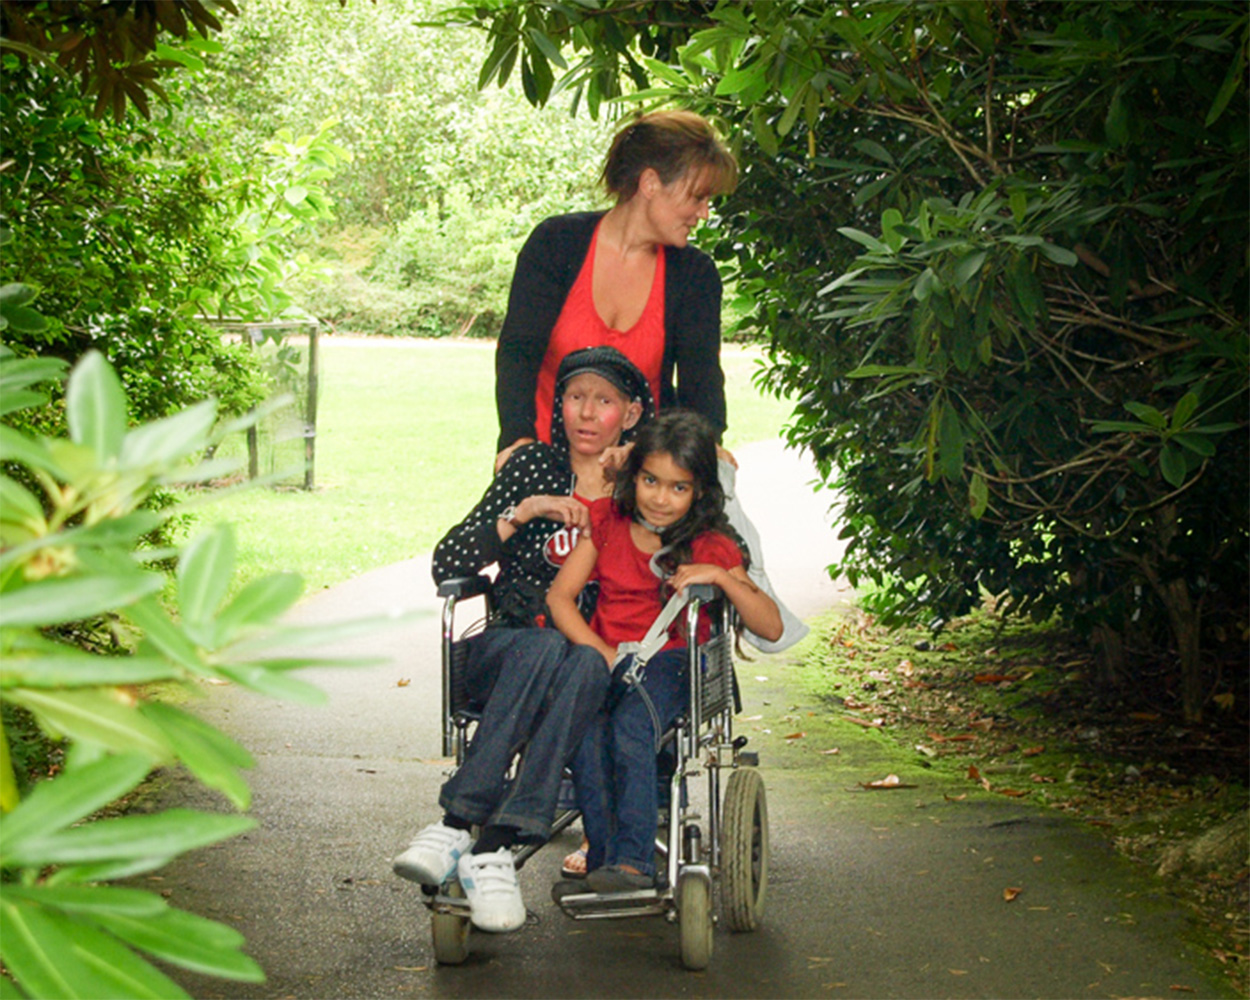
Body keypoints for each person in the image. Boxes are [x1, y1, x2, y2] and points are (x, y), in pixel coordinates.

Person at [391, 347, 655, 932]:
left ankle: (481, 839)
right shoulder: (532, 465)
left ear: (630, 414)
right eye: (575, 397)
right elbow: (449, 562)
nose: (586, 413)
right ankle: (473, 827)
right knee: (547, 648)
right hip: (506, 649)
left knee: (582, 660)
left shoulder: (643, 484)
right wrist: (523, 511)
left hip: (588, 666)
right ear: (558, 406)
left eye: (604, 401)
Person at [547, 411, 783, 892]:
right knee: (587, 734)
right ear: (633, 477)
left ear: (699, 492)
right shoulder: (608, 524)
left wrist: (718, 577)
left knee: (631, 726)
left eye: (679, 487)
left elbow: (771, 626)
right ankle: (605, 856)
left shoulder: (709, 544)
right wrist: (601, 653)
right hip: (608, 658)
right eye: (651, 480)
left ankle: (634, 862)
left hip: (676, 661)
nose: (660, 497)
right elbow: (559, 597)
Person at [494, 110, 739, 472]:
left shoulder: (694, 275)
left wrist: (706, 447)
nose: (703, 213)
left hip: (643, 483)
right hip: (545, 470)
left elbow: (701, 388)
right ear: (651, 183)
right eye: (697, 197)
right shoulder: (556, 244)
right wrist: (519, 443)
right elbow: (518, 355)